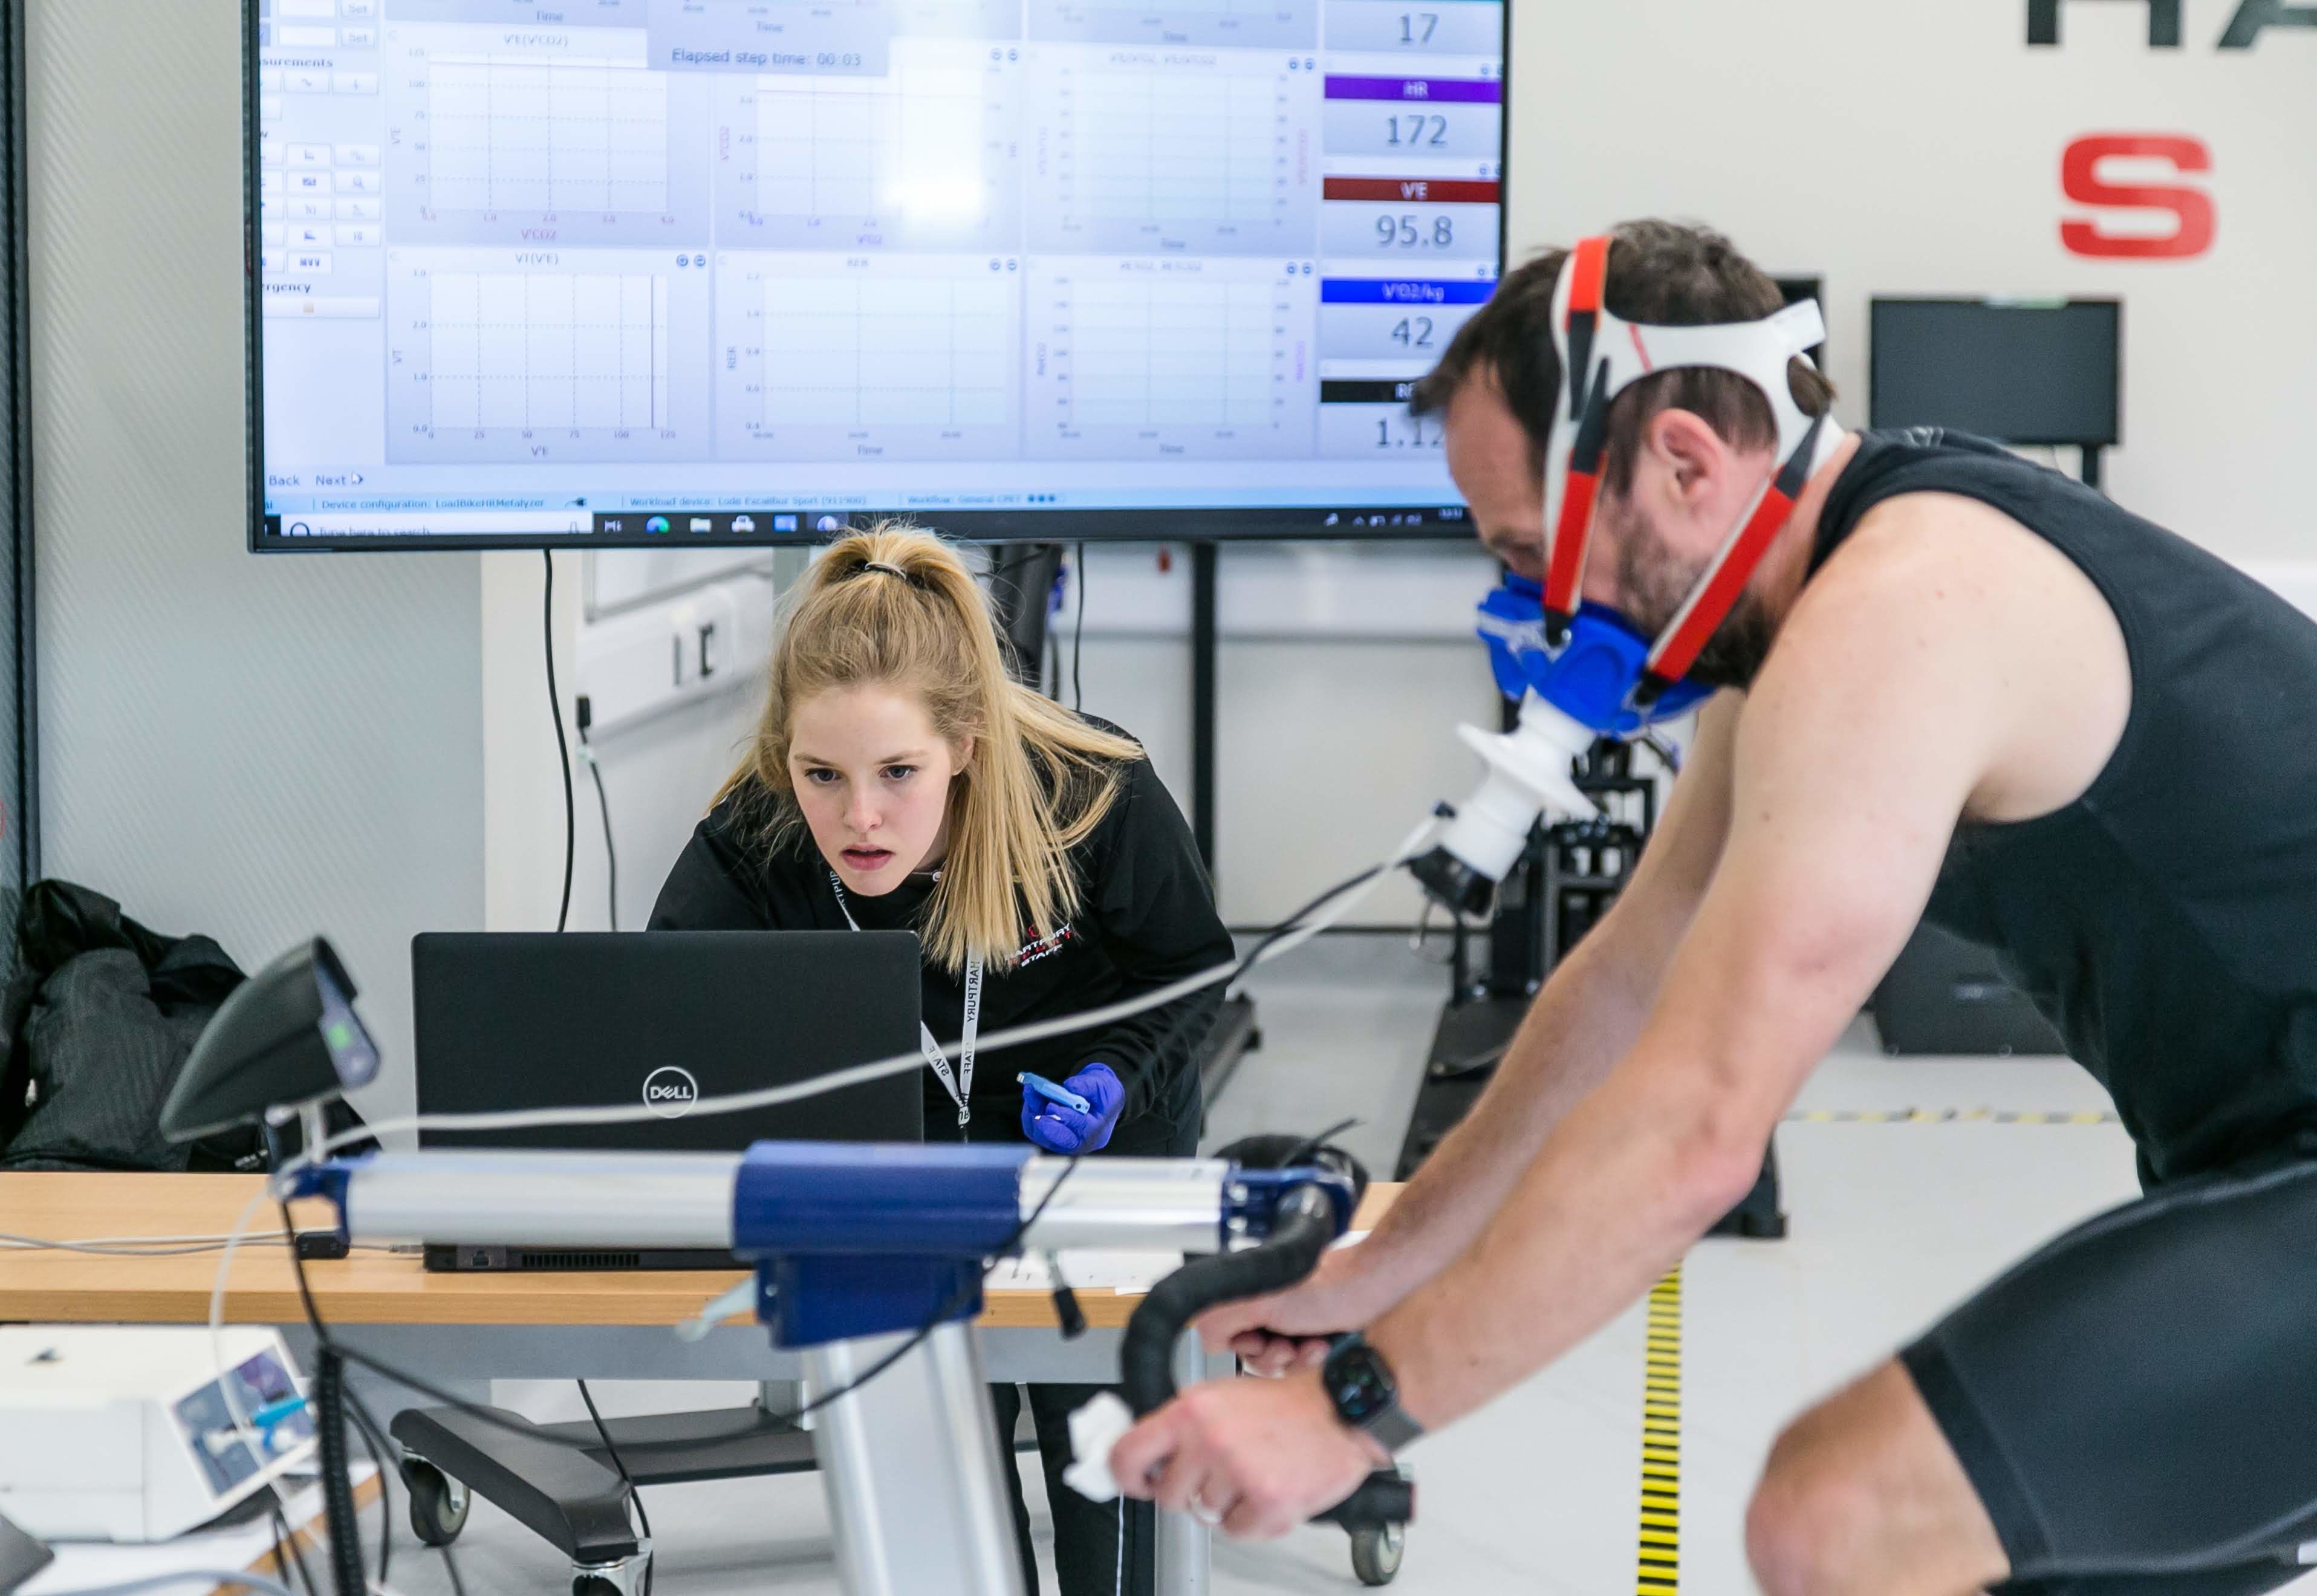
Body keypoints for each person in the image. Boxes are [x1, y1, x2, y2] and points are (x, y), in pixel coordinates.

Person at [1107, 218, 2317, 1596]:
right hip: (2257, 1167)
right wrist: (1383, 1267)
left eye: (1529, 553)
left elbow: (1696, 1132)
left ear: (1684, 462)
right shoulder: (1810, 612)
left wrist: (1344, 1415)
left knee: (1843, 1512)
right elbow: (1628, 990)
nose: (1528, 608)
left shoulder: (1899, 612)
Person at [650, 525, 1232, 1595]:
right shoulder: (758, 833)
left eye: (898, 773)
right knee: (947, 1498)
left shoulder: (1090, 795)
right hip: (901, 1183)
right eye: (822, 774)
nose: (858, 817)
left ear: (966, 744)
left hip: (1091, 1169)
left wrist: (1115, 1078)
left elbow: (1193, 971)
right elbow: (658, 1019)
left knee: (1102, 1481)